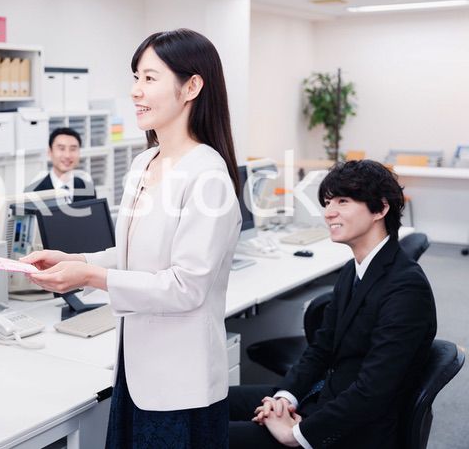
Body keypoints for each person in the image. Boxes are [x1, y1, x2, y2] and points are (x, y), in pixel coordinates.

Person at [23, 29, 241, 448]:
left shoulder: (207, 176)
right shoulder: (145, 163)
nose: (136, 90)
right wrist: (77, 259)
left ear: (191, 87)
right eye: (136, 77)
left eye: (150, 78)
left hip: (179, 383)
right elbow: (130, 254)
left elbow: (185, 286)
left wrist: (90, 278)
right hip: (134, 368)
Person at [229, 160, 437, 449]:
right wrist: (284, 398)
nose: (329, 213)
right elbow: (321, 348)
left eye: (343, 201)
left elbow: (373, 391)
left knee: (205, 434)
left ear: (380, 209)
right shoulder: (355, 269)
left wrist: (296, 434)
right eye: (327, 202)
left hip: (352, 430)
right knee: (208, 403)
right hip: (324, 397)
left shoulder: (406, 288)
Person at [25, 127, 96, 202]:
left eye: (73, 149)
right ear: (50, 152)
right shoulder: (33, 192)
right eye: (61, 148)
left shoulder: (88, 188)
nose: (67, 155)